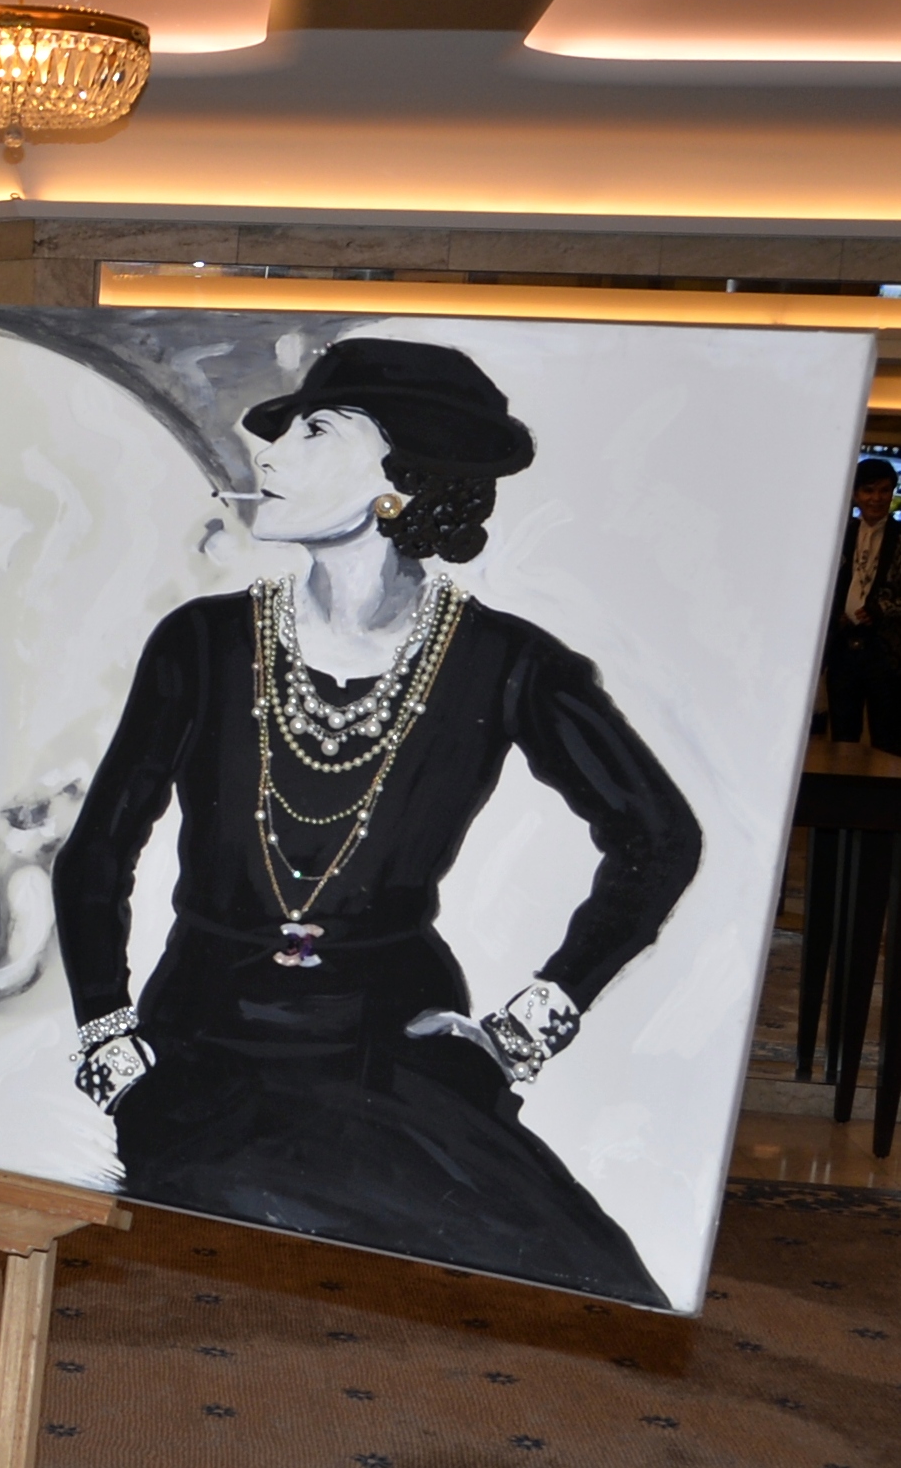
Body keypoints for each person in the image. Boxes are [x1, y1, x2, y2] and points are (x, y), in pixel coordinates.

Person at [51, 338, 702, 1308]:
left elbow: (659, 840)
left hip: (396, 1053)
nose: (266, 452)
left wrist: (525, 1028)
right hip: (199, 1048)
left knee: (594, 1276)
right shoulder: (202, 643)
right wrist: (106, 1035)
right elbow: (98, 849)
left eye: (314, 431)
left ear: (399, 478)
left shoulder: (505, 662)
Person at [822, 456, 901, 748]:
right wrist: (834, 614)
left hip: (887, 651)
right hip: (843, 646)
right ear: (855, 494)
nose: (876, 498)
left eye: (884, 490)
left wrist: (880, 609)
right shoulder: (837, 536)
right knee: (842, 734)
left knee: (888, 735)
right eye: (868, 490)